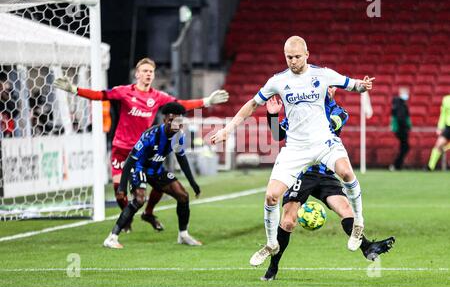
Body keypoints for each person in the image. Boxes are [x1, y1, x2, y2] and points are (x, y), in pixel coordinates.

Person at [211, 36, 374, 267]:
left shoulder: (322, 74)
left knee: (346, 173)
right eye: (289, 57)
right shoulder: (278, 81)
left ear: (307, 54)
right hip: (295, 149)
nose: (293, 61)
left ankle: (358, 223)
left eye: (297, 56)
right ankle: (271, 243)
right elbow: (253, 104)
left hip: (323, 142)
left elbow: (352, 84)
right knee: (271, 196)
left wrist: (362, 85)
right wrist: (228, 129)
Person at [54, 58, 229, 231]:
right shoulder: (124, 92)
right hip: (122, 149)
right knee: (119, 189)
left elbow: (180, 105)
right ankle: (126, 219)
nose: (148, 74)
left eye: (151, 71)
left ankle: (148, 213)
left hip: (145, 151)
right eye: (144, 71)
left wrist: (207, 101)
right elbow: (100, 95)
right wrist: (74, 89)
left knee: (159, 184)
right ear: (137, 74)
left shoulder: (158, 97)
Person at [262, 91, 395, 281]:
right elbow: (278, 134)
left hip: (325, 173)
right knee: (288, 222)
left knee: (347, 210)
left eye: (332, 87)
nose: (329, 90)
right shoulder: (299, 110)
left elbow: (333, 124)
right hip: (302, 172)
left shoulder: (339, 111)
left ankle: (367, 248)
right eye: (327, 87)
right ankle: (272, 269)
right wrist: (272, 115)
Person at [103, 102, 201, 248]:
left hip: (156, 170)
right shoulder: (151, 135)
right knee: (140, 200)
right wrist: (122, 187)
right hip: (139, 168)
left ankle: (183, 235)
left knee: (183, 196)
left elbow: (182, 159)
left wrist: (193, 182)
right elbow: (130, 160)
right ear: (165, 120)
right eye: (171, 120)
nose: (175, 124)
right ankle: (112, 237)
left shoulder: (179, 137)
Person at [390, 87, 412, 170]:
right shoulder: (400, 104)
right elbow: (401, 117)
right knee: (405, 147)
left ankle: (398, 165)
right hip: (401, 129)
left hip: (400, 129)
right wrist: (406, 126)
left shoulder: (397, 104)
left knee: (404, 147)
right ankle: (397, 165)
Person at [427, 94, 450, 171]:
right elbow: (443, 114)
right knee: (438, 145)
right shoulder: (446, 99)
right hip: (448, 127)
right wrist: (440, 127)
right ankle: (430, 167)